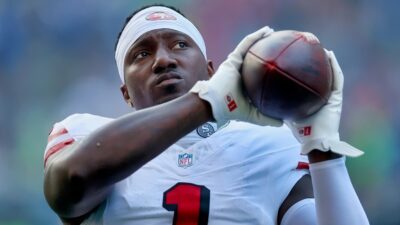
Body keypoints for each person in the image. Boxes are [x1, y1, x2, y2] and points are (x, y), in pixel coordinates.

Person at [43, 4, 370, 225]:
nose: (163, 60)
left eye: (180, 45)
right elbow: (71, 183)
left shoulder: (271, 145)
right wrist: (210, 102)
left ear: (211, 69)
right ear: (125, 93)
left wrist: (324, 151)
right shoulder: (85, 135)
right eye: (142, 53)